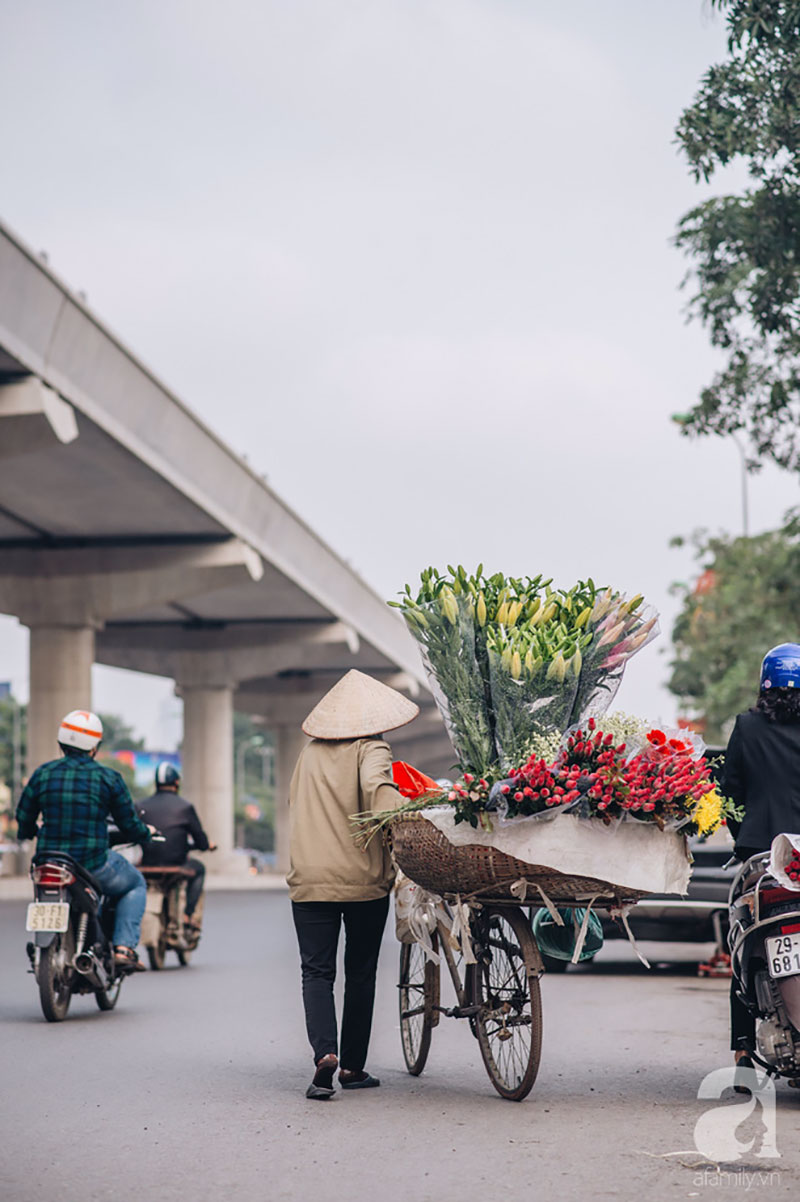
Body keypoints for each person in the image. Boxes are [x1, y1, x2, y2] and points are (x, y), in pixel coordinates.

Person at [287, 669, 419, 1100]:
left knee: (316, 972)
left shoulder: (307, 754)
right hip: (362, 882)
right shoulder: (372, 749)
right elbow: (379, 795)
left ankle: (325, 1054)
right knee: (359, 973)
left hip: (309, 880)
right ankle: (352, 1067)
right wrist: (417, 807)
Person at [15, 709, 155, 971]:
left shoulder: (42, 774)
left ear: (61, 744)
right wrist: (145, 834)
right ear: (95, 747)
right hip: (93, 864)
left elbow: (24, 816)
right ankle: (124, 947)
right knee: (135, 883)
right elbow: (129, 824)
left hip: (50, 862)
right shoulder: (109, 778)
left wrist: (28, 832)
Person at [721, 643, 800, 1077]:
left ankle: (741, 1053)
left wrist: (745, 841)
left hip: (762, 858)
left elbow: (729, 791)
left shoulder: (747, 727)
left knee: (744, 949)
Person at [137, 762, 216, 930]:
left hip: (148, 864)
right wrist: (205, 846)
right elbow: (200, 839)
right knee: (199, 869)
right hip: (177, 864)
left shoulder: (141, 806)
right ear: (176, 783)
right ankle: (187, 914)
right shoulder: (184, 807)